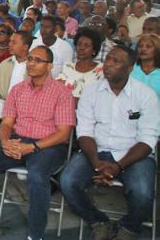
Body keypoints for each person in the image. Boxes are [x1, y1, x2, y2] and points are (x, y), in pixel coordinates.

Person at [0, 46, 76, 240]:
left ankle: (35, 235)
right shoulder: (18, 89)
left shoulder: (62, 93)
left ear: (49, 66)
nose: (31, 63)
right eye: (30, 59)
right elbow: (7, 123)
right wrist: (5, 142)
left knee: (36, 176)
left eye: (37, 60)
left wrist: (32, 147)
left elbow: (63, 134)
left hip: (48, 146)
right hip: (17, 140)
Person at [60, 46, 159, 240]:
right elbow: (85, 132)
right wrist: (97, 163)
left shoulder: (146, 95)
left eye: (116, 61)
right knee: (67, 181)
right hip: (96, 151)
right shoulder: (91, 92)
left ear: (130, 67)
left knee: (143, 192)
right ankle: (98, 221)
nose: (109, 65)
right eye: (108, 59)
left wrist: (118, 166)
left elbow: (147, 140)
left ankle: (129, 227)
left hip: (133, 154)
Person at [57, 28, 103, 104]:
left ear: (94, 50)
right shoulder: (68, 66)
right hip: (65, 111)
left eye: (86, 45)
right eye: (79, 44)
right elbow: (57, 91)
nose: (81, 48)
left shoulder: (102, 70)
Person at [0, 30, 32, 100]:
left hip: (28, 108)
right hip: (4, 106)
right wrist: (0, 102)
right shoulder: (3, 65)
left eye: (14, 42)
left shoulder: (38, 66)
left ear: (25, 47)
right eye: (10, 41)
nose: (9, 44)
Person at [131, 33, 160, 99]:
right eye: (140, 46)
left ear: (157, 50)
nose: (143, 49)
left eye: (148, 46)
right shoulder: (130, 68)